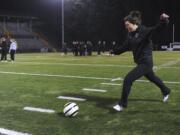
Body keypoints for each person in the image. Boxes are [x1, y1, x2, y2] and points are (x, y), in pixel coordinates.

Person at [112, 11, 171, 112]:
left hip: (146, 63)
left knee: (128, 79)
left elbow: (156, 29)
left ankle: (122, 104)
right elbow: (125, 47)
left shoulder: (143, 31)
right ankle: (166, 91)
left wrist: (163, 20)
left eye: (127, 25)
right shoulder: (130, 35)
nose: (126, 27)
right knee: (153, 78)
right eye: (125, 26)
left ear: (134, 23)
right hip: (140, 62)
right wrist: (114, 51)